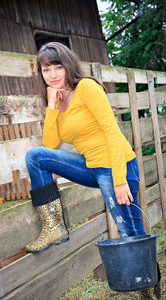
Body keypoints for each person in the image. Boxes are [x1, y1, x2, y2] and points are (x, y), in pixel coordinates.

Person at [25, 41, 146, 254]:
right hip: (91, 166)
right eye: (46, 69)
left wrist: (119, 181)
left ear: (68, 65)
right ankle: (54, 227)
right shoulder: (59, 100)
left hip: (115, 166)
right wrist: (51, 106)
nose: (52, 74)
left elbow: (113, 133)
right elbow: (51, 144)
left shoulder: (87, 88)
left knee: (130, 233)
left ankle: (148, 283)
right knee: (36, 156)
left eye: (57, 67)